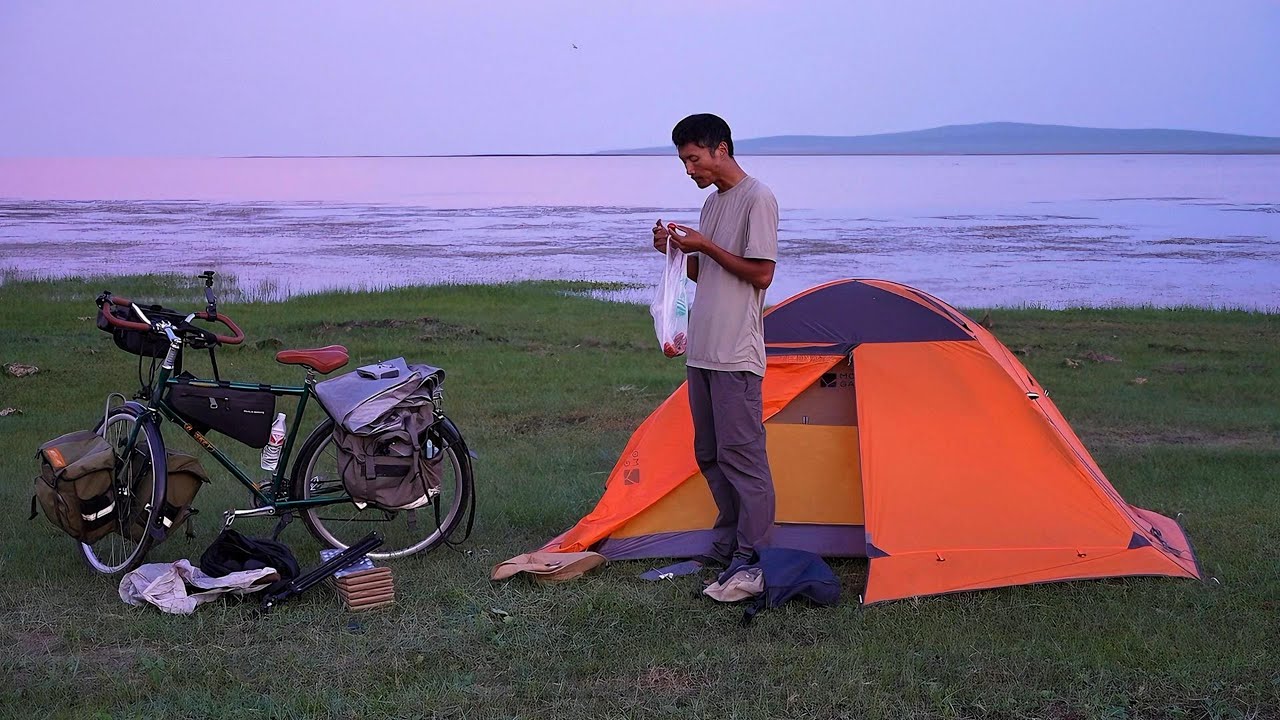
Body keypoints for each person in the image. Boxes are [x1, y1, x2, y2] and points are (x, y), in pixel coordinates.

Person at [651, 113, 779, 582]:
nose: (689, 170)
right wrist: (678, 252)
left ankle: (755, 554)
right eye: (684, 161)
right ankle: (727, 546)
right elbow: (708, 276)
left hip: (736, 355)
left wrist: (704, 245)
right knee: (710, 455)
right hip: (701, 353)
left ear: (720, 149)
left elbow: (762, 274)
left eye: (693, 158)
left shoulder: (757, 198)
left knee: (743, 459)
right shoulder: (711, 205)